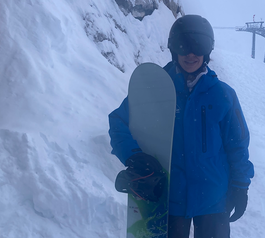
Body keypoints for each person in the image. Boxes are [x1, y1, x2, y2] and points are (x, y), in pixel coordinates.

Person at [109, 15, 254, 238]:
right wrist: (133, 156)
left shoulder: (223, 95)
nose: (191, 54)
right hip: (168, 200)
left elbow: (237, 145)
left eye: (199, 46)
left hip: (213, 200)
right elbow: (118, 122)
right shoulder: (154, 88)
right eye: (183, 45)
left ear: (208, 51)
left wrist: (241, 185)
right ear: (173, 48)